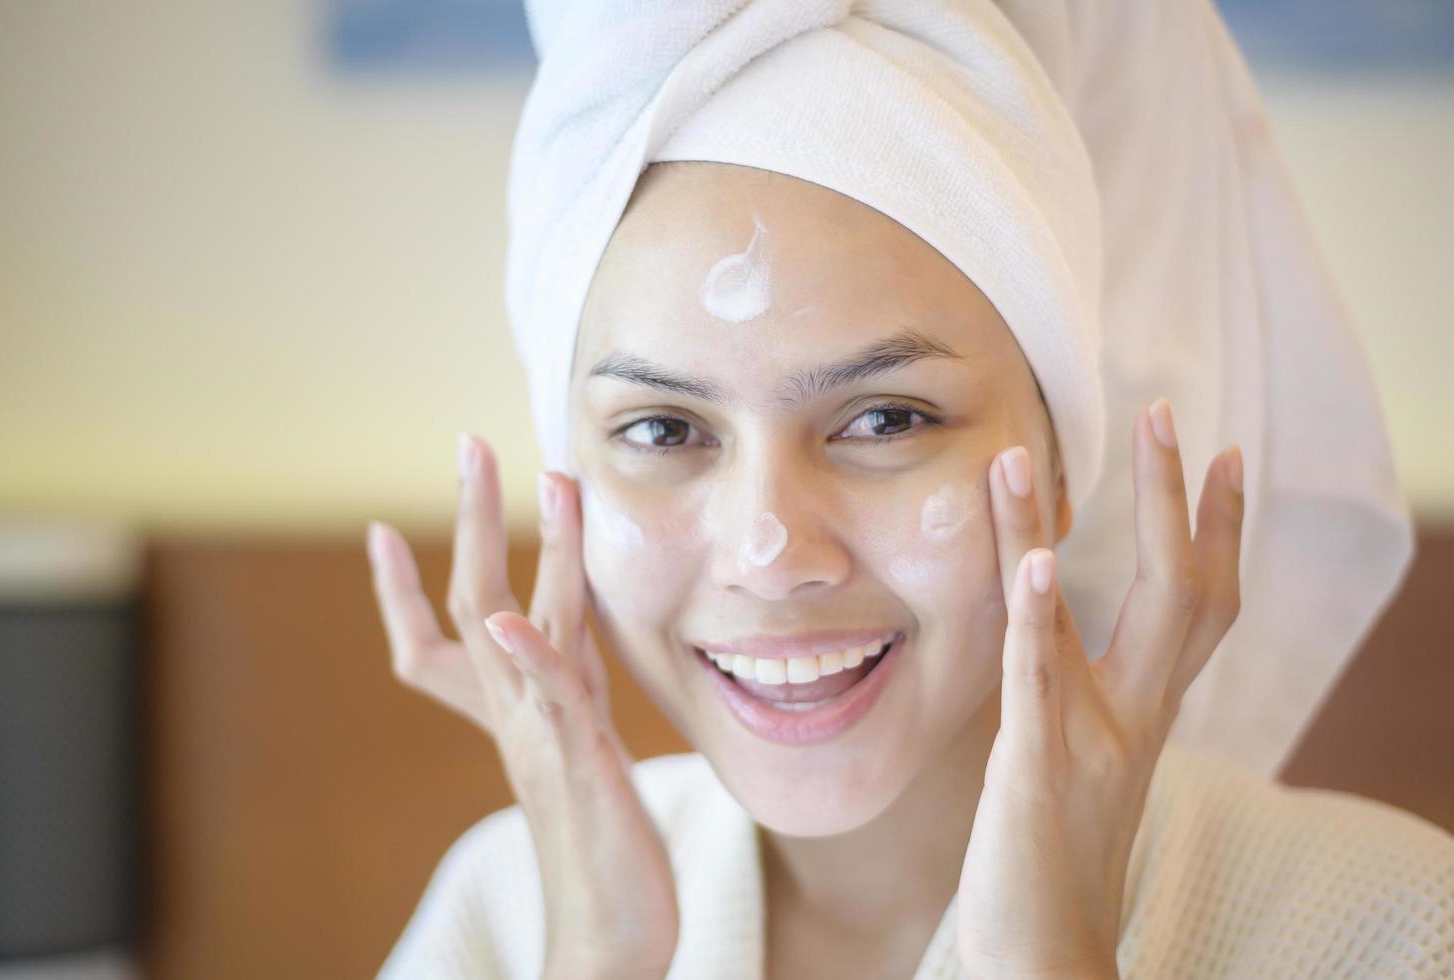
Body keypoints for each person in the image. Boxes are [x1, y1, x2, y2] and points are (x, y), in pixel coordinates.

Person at [367, 2, 1454, 978]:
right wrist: (598, 958)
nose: (770, 548)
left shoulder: (1392, 927)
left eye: (886, 418)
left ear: (1066, 459)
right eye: (663, 428)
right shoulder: (503, 920)